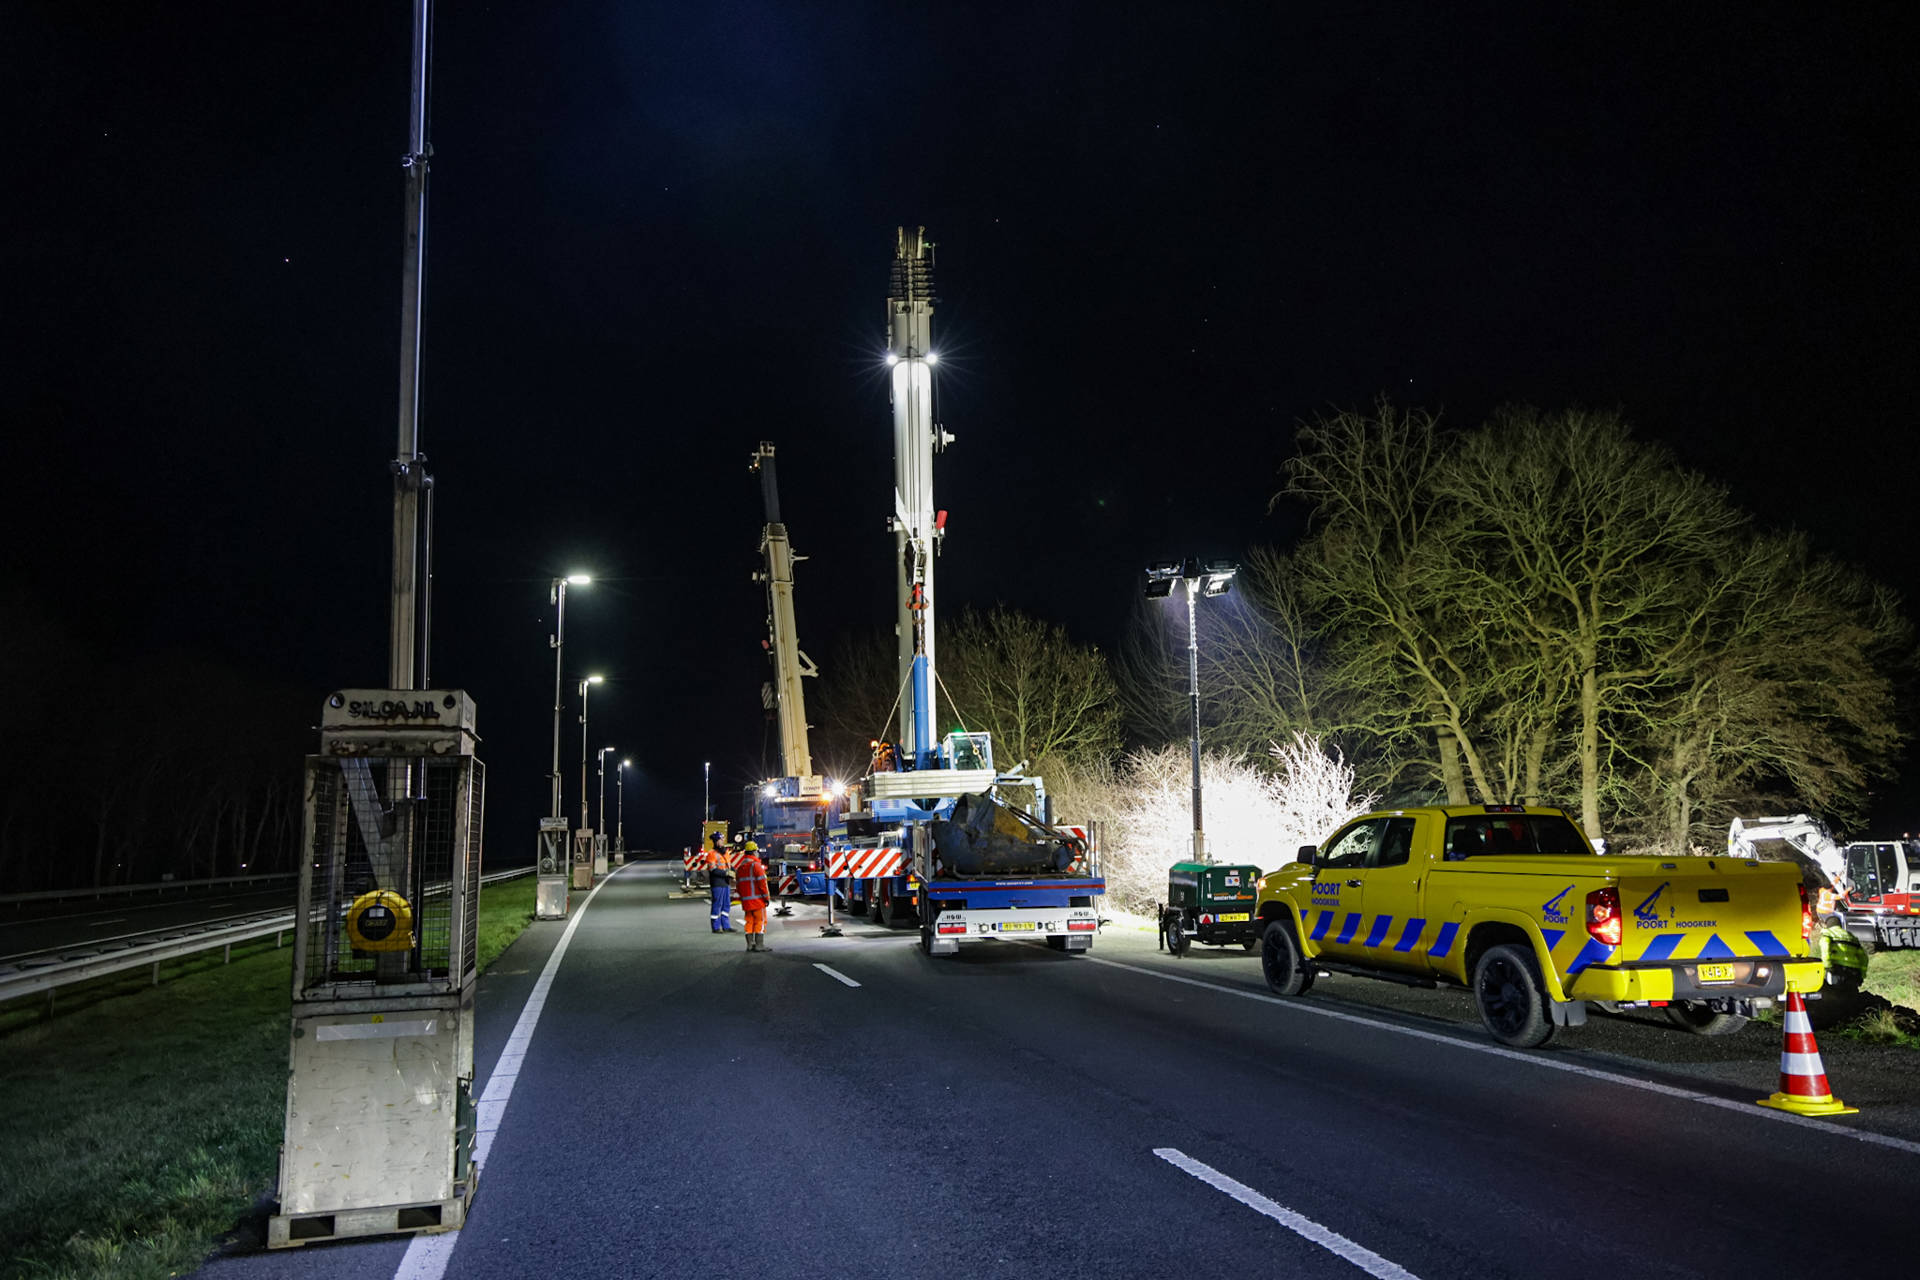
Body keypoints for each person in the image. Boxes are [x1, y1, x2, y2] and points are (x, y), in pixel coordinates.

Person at [736, 841, 771, 952]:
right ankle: (759, 945)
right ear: (754, 852)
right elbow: (762, 884)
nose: (758, 854)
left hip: (746, 902)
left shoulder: (740, 867)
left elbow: (738, 885)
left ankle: (750, 944)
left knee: (749, 922)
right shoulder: (756, 866)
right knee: (760, 921)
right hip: (757, 900)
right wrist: (766, 898)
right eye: (757, 851)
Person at [707, 837, 734, 932]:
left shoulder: (726, 852)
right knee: (717, 904)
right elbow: (712, 869)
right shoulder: (711, 853)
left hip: (726, 882)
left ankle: (726, 926)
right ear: (716, 842)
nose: (722, 842)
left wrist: (733, 871)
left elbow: (729, 865)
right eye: (720, 841)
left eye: (722, 840)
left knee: (726, 904)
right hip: (717, 882)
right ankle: (715, 927)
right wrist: (726, 873)